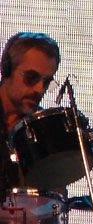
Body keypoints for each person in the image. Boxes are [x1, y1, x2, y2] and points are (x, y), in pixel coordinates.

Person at [0, 32, 61, 197]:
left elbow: (54, 202)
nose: (39, 89)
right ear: (6, 69)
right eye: (31, 78)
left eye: (46, 82)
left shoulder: (42, 128)